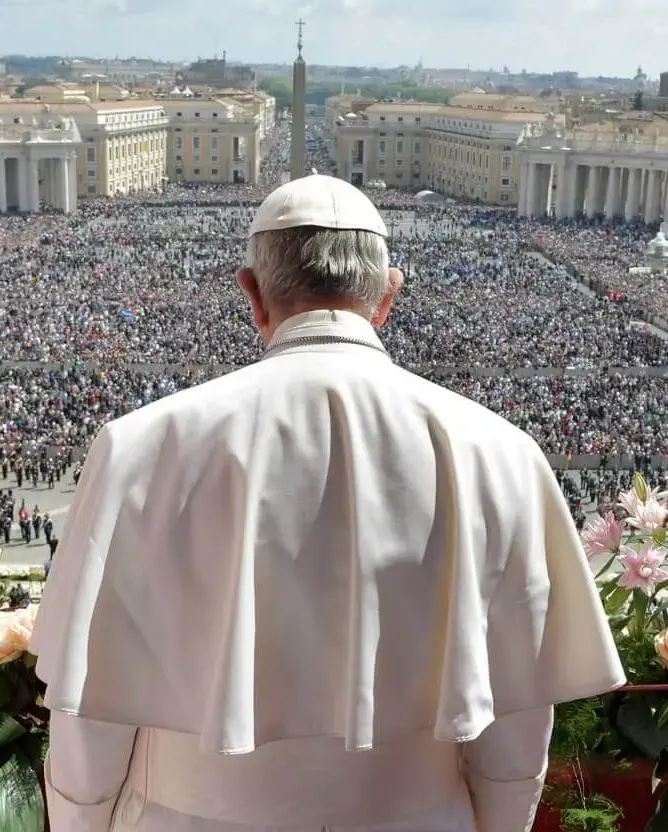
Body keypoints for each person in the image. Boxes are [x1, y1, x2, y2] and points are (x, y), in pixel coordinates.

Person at [32, 176, 625, 832]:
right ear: (387, 296)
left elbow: (89, 718)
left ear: (252, 295)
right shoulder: (501, 453)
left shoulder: (139, 446)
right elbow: (514, 726)